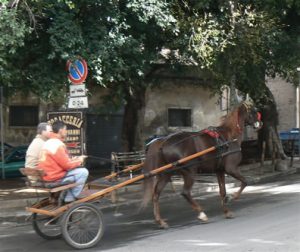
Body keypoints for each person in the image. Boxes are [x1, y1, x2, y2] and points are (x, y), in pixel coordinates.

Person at [38, 120, 88, 203]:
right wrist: (79, 160)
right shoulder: (57, 144)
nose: (66, 132)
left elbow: (61, 161)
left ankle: (64, 196)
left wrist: (74, 160)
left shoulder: (48, 142)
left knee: (76, 171)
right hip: (54, 178)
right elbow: (67, 165)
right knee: (83, 172)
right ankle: (69, 198)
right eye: (65, 129)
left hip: (47, 176)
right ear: (61, 130)